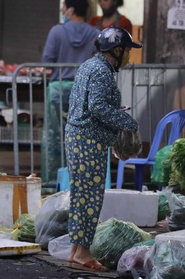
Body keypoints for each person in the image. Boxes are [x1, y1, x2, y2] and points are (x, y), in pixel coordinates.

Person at [65, 26, 141, 271]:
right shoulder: (101, 72)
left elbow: (91, 104)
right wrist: (127, 122)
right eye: (128, 50)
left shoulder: (90, 66)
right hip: (88, 140)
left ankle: (76, 250)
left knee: (80, 195)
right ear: (117, 50)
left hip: (79, 136)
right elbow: (97, 107)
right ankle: (83, 252)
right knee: (90, 197)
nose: (129, 56)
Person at [41, 0, 99, 184]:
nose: (62, 10)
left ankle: (52, 181)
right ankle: (83, 179)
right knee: (84, 136)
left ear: (71, 10)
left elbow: (47, 61)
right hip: (85, 90)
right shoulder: (95, 33)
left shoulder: (56, 31)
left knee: (55, 137)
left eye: (64, 6)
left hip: (58, 89)